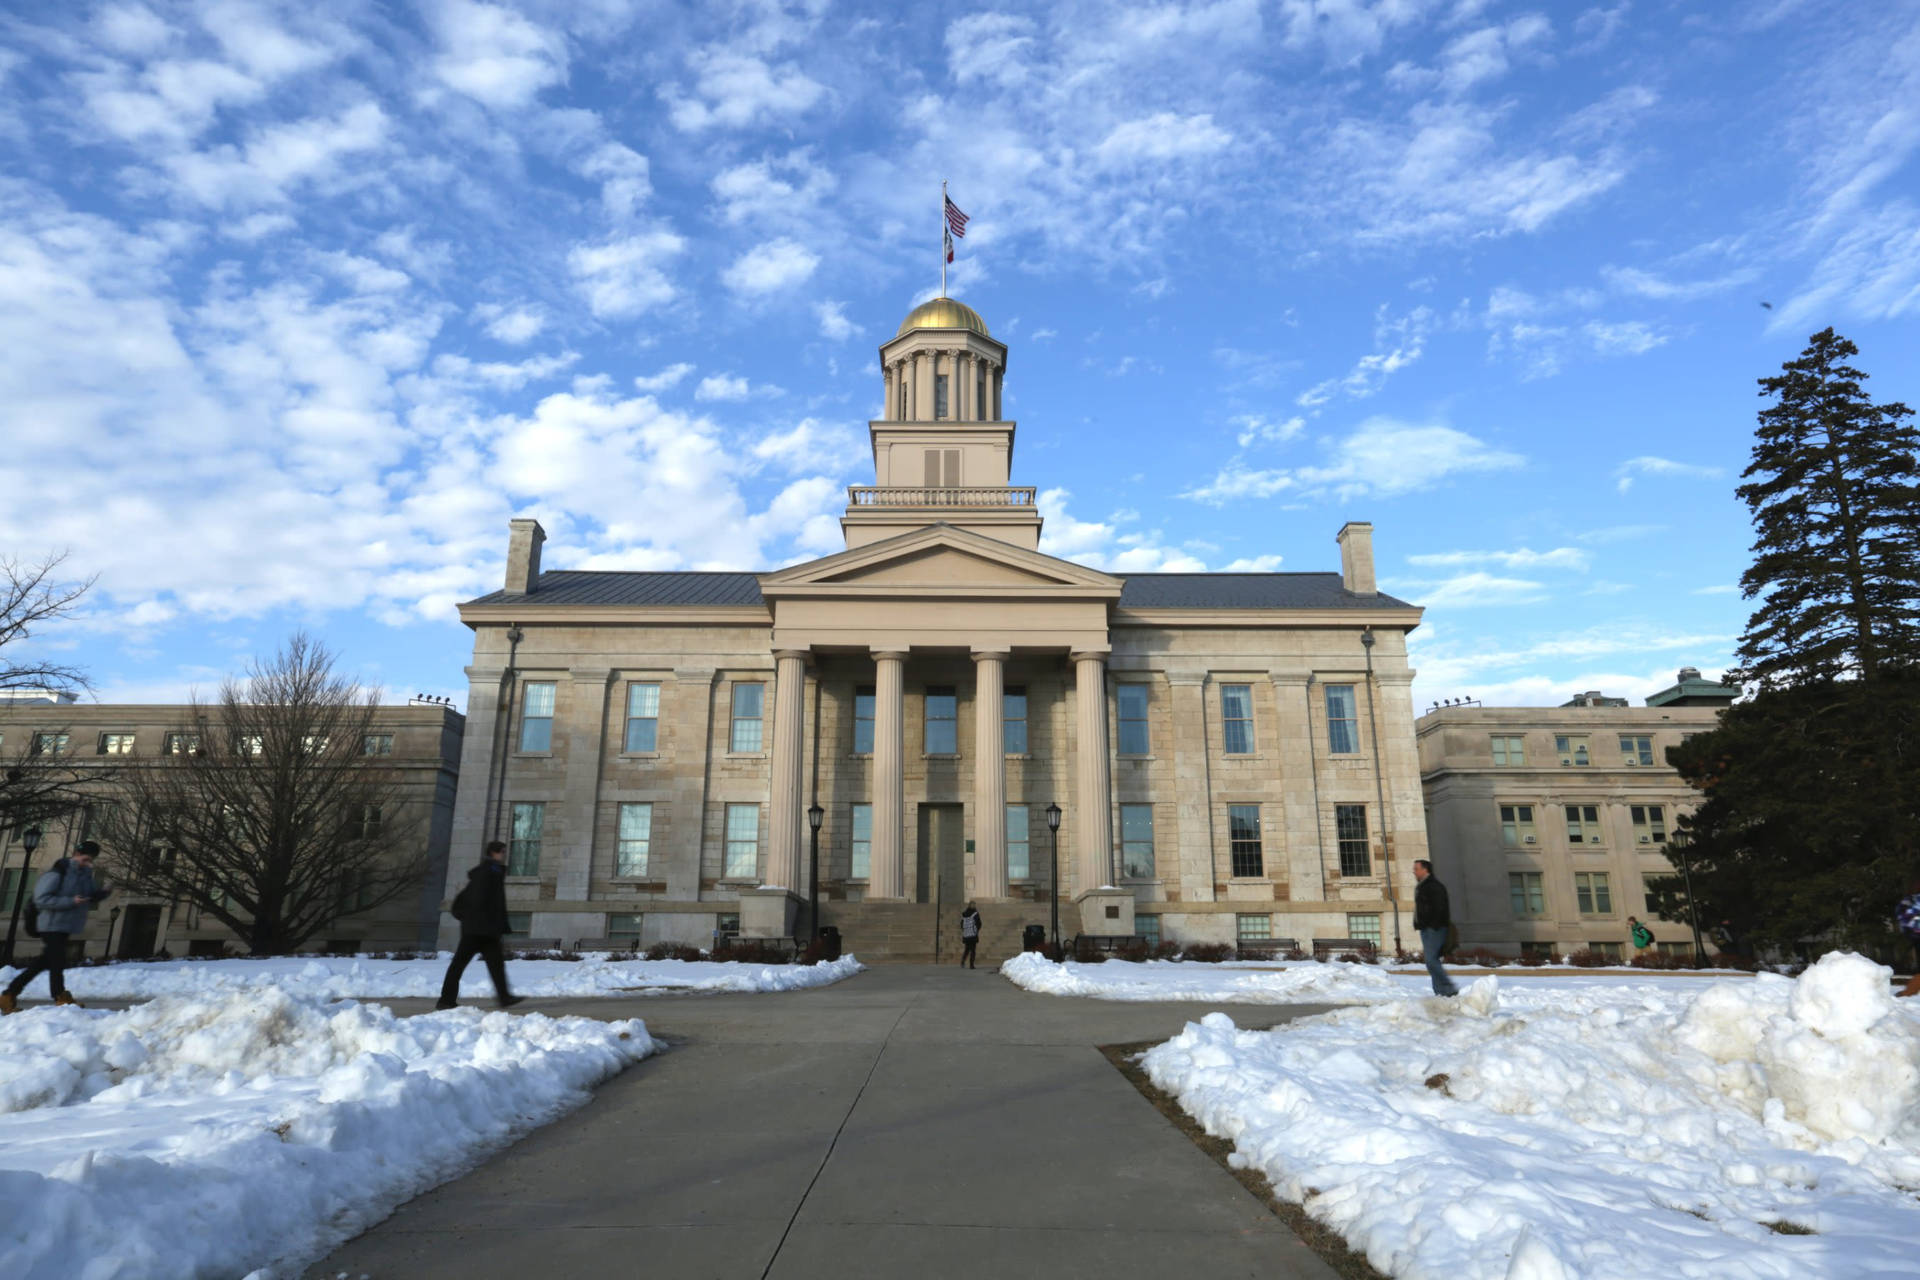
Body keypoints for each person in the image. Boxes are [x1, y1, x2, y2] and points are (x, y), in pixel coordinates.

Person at [1, 840, 110, 1015]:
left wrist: (103, 893)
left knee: (44, 962)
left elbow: (89, 896)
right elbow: (41, 899)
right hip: (50, 924)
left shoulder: (85, 875)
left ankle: (8, 994)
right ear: (75, 855)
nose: (87, 863)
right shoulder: (58, 872)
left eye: (90, 860)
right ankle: (60, 996)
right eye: (85, 859)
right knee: (58, 961)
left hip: (66, 925)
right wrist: (70, 901)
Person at [437, 840, 522, 1010]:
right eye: (502, 852)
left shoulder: (494, 872)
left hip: (486, 930)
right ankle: (446, 1000)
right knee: (459, 964)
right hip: (477, 931)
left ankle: (504, 997)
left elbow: (495, 904)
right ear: (494, 853)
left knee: (496, 965)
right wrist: (478, 921)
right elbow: (477, 900)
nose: (505, 855)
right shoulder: (488, 872)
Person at [1411, 859, 1458, 997]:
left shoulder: (1434, 886)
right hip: (1426, 928)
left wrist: (1434, 924)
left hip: (1435, 928)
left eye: (1416, 869)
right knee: (1431, 961)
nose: (1414, 871)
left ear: (1425, 870)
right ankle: (1440, 992)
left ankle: (1448, 987)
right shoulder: (1422, 886)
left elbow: (1440, 907)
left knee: (1431, 960)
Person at [959, 902, 981, 969]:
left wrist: (965, 930)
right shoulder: (975, 914)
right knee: (973, 950)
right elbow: (979, 923)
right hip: (973, 935)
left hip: (966, 934)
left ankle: (962, 961)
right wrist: (976, 930)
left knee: (967, 949)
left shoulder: (964, 914)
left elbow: (961, 924)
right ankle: (971, 965)